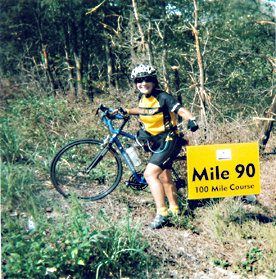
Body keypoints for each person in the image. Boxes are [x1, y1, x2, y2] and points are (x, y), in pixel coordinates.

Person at [120, 64, 198, 229]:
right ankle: (175, 210)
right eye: (139, 81)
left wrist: (191, 119)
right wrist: (126, 111)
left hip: (170, 140)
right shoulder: (143, 98)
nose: (143, 83)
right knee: (164, 177)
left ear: (154, 81)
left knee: (149, 175)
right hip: (157, 142)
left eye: (147, 79)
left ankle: (162, 213)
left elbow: (182, 111)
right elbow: (143, 110)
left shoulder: (164, 97)